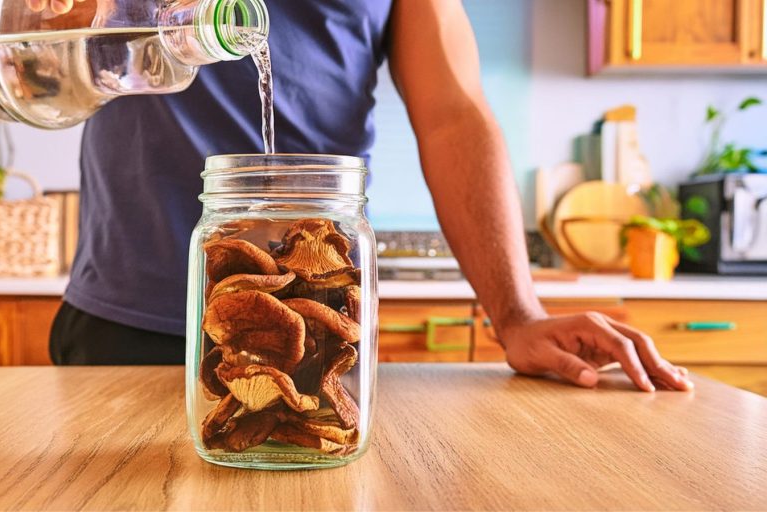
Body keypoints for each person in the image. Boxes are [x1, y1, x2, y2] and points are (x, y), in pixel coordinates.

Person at [37, 0, 694, 392]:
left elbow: (453, 113)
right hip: (128, 320)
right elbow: (42, 33)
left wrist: (517, 314)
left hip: (321, 323)